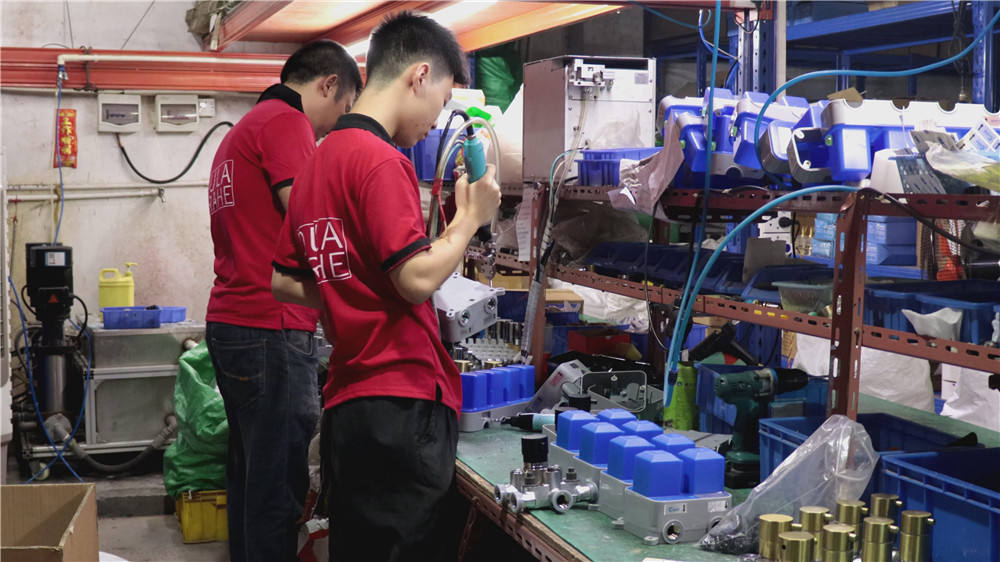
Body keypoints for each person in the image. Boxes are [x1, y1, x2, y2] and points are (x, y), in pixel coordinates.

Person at [270, 11, 501, 561]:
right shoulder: (381, 162)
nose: (433, 121)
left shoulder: (318, 163)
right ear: (419, 76)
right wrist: (471, 217)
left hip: (350, 409)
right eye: (441, 101)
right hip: (402, 404)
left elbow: (284, 281)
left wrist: (353, 292)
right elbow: (416, 279)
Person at [205, 40, 361, 562]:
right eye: (339, 114)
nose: (327, 131)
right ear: (329, 85)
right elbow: (311, 220)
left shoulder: (240, 133)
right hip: (268, 327)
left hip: (233, 323)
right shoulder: (285, 122)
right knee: (277, 492)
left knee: (252, 480)